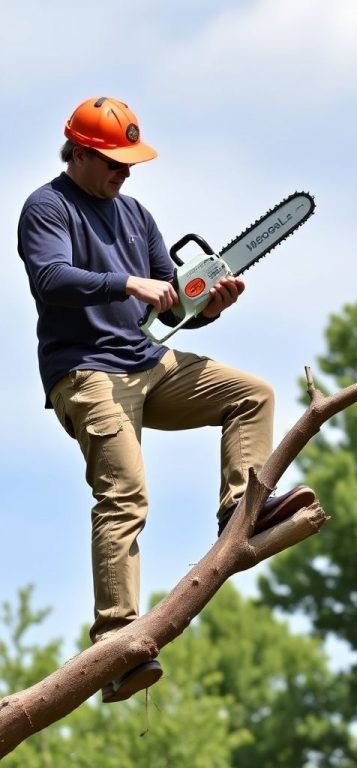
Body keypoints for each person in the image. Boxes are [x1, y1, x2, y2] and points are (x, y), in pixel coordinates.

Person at [17, 97, 315, 702]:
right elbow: (50, 279)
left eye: (129, 163)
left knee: (252, 395)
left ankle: (240, 507)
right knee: (124, 493)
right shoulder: (47, 208)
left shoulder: (137, 216)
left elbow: (171, 309)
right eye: (112, 162)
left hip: (148, 361)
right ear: (77, 152)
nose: (124, 173)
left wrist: (208, 305)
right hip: (86, 372)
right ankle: (116, 644)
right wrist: (127, 282)